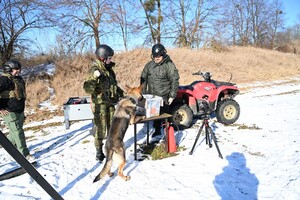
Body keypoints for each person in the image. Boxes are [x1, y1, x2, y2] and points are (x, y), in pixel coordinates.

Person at [83, 44, 124, 162]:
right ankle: (99, 151)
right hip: (100, 105)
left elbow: (114, 86)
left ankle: (111, 148)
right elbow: (87, 88)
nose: (111, 60)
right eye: (109, 58)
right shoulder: (95, 71)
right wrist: (95, 79)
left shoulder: (109, 70)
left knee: (112, 128)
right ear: (102, 57)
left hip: (110, 104)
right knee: (101, 129)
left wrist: (122, 94)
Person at [140, 43, 179, 142]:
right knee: (155, 116)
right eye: (155, 56)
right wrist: (143, 92)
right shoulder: (149, 65)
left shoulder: (169, 65)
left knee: (165, 116)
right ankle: (157, 131)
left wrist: (172, 96)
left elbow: (174, 80)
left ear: (163, 54)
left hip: (164, 96)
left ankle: (167, 134)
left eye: (158, 56)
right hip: (152, 96)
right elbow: (143, 78)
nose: (156, 58)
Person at [0, 60, 33, 160]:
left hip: (19, 110)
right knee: (18, 132)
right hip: (9, 111)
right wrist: (0, 108)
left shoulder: (18, 79)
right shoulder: (4, 80)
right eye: (16, 69)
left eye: (19, 69)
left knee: (15, 133)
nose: (18, 71)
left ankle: (5, 144)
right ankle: (25, 154)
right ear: (9, 69)